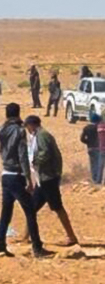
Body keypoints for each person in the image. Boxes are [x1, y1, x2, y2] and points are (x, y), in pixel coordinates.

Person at [21, 116, 79, 247]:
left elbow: (45, 153)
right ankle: (25, 237)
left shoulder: (42, 135)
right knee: (32, 207)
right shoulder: (38, 135)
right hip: (42, 179)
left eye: (27, 127)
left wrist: (35, 161)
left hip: (48, 178)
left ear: (32, 125)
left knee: (57, 207)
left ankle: (71, 236)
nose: (27, 130)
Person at [0, 104, 48, 258]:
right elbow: (22, 156)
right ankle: (37, 248)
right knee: (30, 211)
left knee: (6, 213)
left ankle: (1, 245)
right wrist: (28, 178)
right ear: (18, 114)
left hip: (5, 174)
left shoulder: (3, 129)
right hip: (16, 175)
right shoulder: (20, 131)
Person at [80, 113, 101, 184]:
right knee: (98, 163)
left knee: (92, 163)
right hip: (97, 148)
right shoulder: (98, 128)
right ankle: (97, 179)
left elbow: (82, 139)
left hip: (90, 148)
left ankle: (94, 178)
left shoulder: (86, 128)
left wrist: (88, 142)